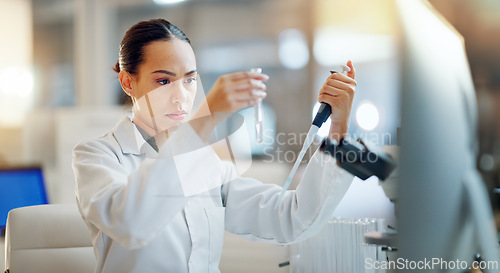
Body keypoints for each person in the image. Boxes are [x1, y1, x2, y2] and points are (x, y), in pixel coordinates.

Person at [72, 19, 357, 273]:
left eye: (190, 79)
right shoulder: (97, 156)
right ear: (127, 82)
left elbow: (292, 218)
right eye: (163, 80)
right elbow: (131, 223)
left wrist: (339, 127)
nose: (181, 96)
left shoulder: (204, 164)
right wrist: (206, 119)